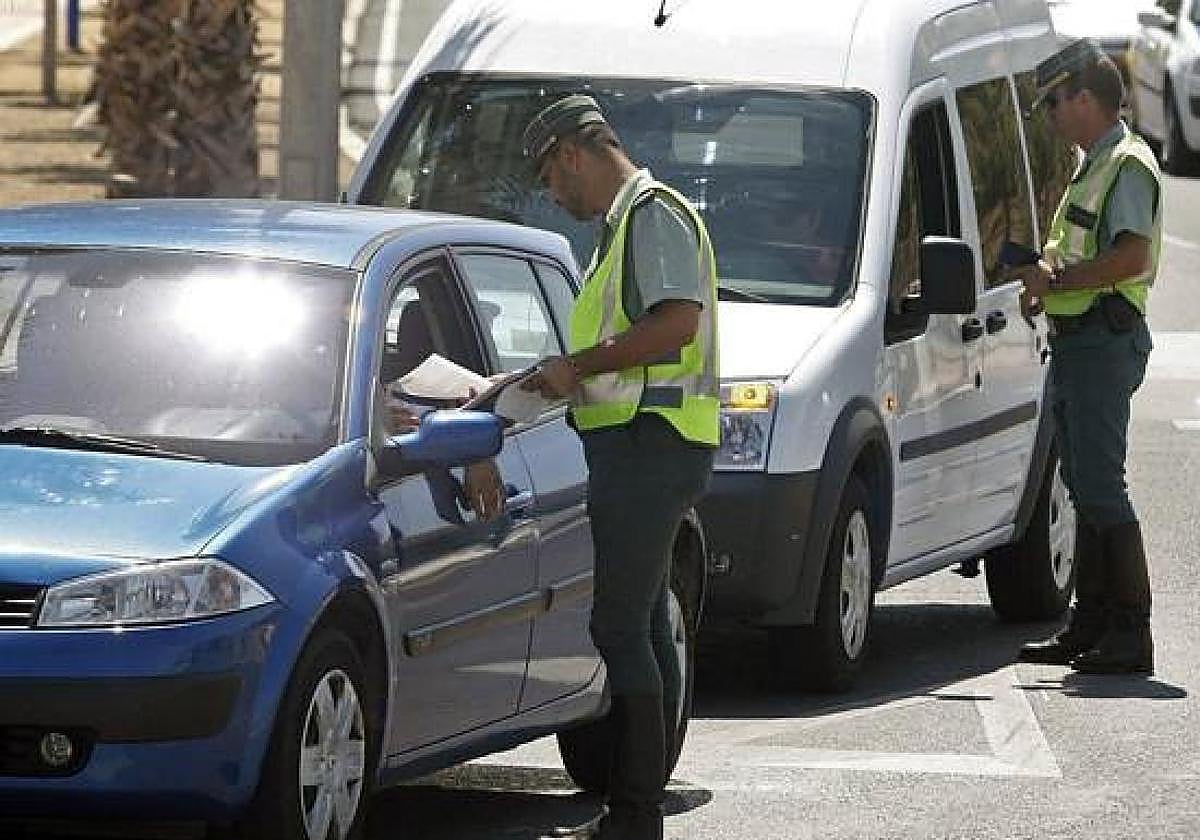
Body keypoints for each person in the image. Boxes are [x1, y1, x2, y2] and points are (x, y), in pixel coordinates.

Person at [519, 94, 719, 839]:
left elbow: (675, 322)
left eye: (549, 175)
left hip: (648, 445)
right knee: (644, 627)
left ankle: (633, 815)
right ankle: (641, 805)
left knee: (620, 628)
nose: (551, 193)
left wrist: (577, 366)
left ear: (573, 153)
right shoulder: (628, 224)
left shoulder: (650, 213)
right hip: (643, 445)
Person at [1014, 39, 1160, 675]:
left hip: (1104, 340)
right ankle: (1092, 624)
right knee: (1082, 483)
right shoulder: (1094, 162)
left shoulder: (1125, 163)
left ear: (1084, 98)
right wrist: (1046, 280)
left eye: (1054, 103)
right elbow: (1083, 249)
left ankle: (1131, 631)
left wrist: (1061, 284)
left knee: (1102, 485)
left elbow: (1133, 257)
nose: (1050, 116)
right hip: (1079, 343)